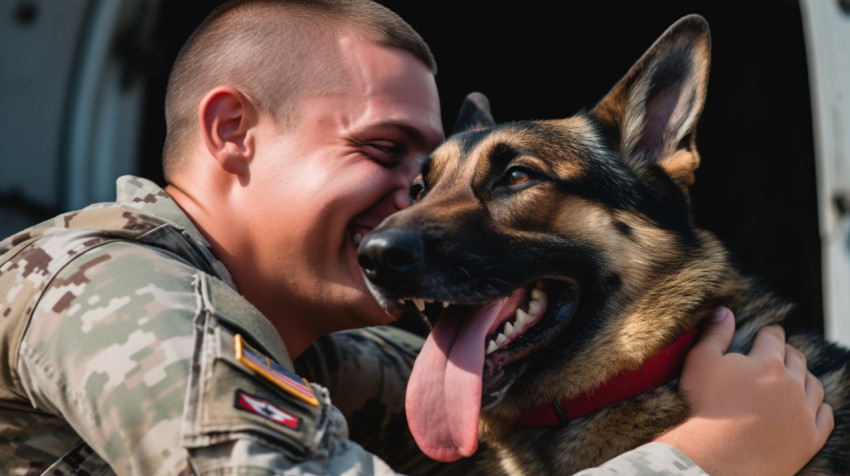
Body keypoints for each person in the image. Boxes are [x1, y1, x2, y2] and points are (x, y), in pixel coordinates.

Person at [0, 1, 832, 475]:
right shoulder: (115, 295)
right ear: (234, 134)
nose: (412, 208)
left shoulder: (306, 347)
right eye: (385, 152)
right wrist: (715, 452)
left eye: (429, 172)